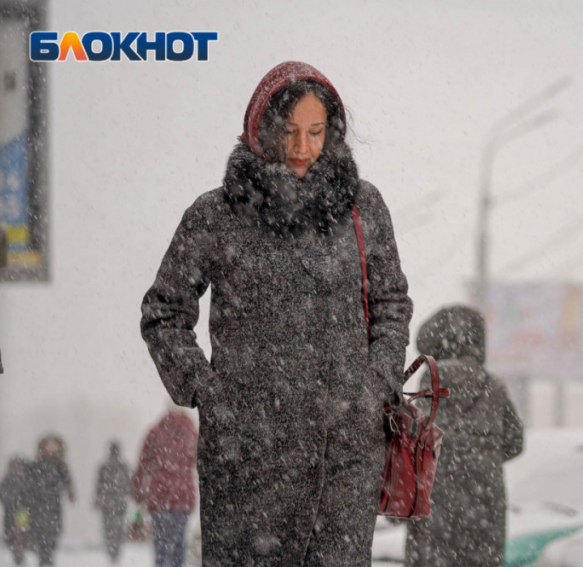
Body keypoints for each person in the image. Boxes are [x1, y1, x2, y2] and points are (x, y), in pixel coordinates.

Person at [140, 61, 412, 566]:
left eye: (316, 132)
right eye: (289, 133)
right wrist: (208, 390)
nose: (303, 149)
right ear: (262, 129)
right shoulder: (217, 215)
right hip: (248, 458)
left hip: (344, 457)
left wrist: (376, 383)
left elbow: (392, 304)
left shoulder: (363, 208)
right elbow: (165, 311)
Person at [406, 305, 524, 567]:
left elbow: (414, 442)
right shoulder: (493, 386)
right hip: (485, 505)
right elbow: (515, 442)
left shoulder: (431, 380)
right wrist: (482, 457)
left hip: (435, 502)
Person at [133, 408, 198, 567]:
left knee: (161, 544)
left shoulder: (155, 432)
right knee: (179, 543)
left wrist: (138, 492)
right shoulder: (192, 434)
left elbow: (143, 464)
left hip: (159, 496)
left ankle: (162, 564)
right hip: (183, 496)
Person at [29, 434, 75, 567]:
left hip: (54, 504)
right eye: (48, 446)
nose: (51, 449)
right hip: (38, 504)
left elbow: (68, 481)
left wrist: (71, 494)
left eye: (53, 446)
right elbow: (29, 483)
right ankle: (43, 557)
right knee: (40, 532)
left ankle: (48, 555)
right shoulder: (36, 464)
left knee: (54, 531)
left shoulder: (60, 465)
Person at [95, 441, 132, 564]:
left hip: (108, 502)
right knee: (118, 527)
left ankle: (112, 549)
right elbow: (129, 485)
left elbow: (99, 485)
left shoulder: (104, 466)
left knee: (108, 527)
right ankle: (115, 550)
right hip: (119, 502)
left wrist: (98, 499)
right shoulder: (123, 466)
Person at [1, 456, 32, 565]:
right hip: (11, 511)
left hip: (22, 512)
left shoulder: (27, 479)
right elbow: (3, 494)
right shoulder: (8, 479)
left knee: (21, 534)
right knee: (11, 534)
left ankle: (19, 552)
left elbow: (30, 494)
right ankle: (16, 552)